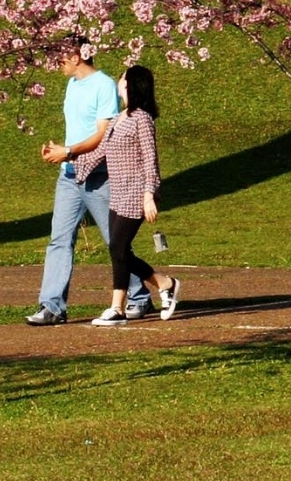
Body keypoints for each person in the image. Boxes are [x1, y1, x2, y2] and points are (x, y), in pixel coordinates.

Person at [26, 39, 151, 325]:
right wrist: (62, 151)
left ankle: (139, 296)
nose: (57, 63)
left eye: (61, 57)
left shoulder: (104, 85)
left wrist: (68, 151)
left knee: (115, 240)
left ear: (77, 57)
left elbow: (102, 135)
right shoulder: (73, 85)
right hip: (69, 174)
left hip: (98, 175)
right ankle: (52, 307)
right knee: (59, 239)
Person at [73, 65, 181, 326]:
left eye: (122, 78)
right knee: (118, 250)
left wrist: (149, 195)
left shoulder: (142, 118)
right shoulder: (120, 117)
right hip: (118, 193)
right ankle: (157, 287)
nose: (118, 82)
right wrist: (69, 156)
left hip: (135, 193)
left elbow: (150, 159)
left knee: (118, 248)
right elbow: (101, 152)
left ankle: (125, 304)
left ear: (131, 84)